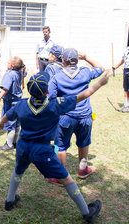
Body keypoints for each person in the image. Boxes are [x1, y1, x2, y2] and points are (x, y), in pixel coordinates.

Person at [0, 71, 110, 223]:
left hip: (23, 147)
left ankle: (9, 201)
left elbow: (7, 116)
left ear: (29, 90)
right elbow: (83, 95)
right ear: (48, 91)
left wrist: (0, 124)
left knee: (18, 170)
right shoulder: (55, 105)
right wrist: (100, 83)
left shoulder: (22, 104)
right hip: (43, 152)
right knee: (66, 178)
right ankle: (87, 212)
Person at [48, 48, 105, 182]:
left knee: (61, 145)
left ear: (63, 61)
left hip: (65, 117)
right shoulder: (85, 72)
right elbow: (101, 68)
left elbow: (51, 98)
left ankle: (61, 176)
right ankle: (83, 169)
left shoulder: (57, 77)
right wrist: (86, 57)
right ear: (77, 60)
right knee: (84, 142)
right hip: (85, 116)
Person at [0, 56, 23, 151]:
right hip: (18, 101)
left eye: (8, 63)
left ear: (11, 66)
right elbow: (24, 69)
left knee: (10, 123)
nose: (6, 64)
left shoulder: (9, 74)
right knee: (16, 124)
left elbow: (5, 88)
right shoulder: (19, 72)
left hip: (10, 102)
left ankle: (9, 144)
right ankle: (15, 142)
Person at [112, 44, 129, 112]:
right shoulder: (127, 49)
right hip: (126, 70)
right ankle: (125, 105)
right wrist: (116, 67)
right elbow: (123, 60)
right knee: (125, 88)